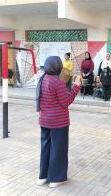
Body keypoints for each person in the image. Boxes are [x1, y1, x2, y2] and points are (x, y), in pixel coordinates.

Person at [36, 56, 81, 188]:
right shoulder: (57, 82)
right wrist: (77, 86)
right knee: (58, 150)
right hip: (58, 123)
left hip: (44, 121)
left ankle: (43, 176)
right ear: (58, 67)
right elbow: (66, 101)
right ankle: (56, 178)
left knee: (46, 149)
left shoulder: (43, 78)